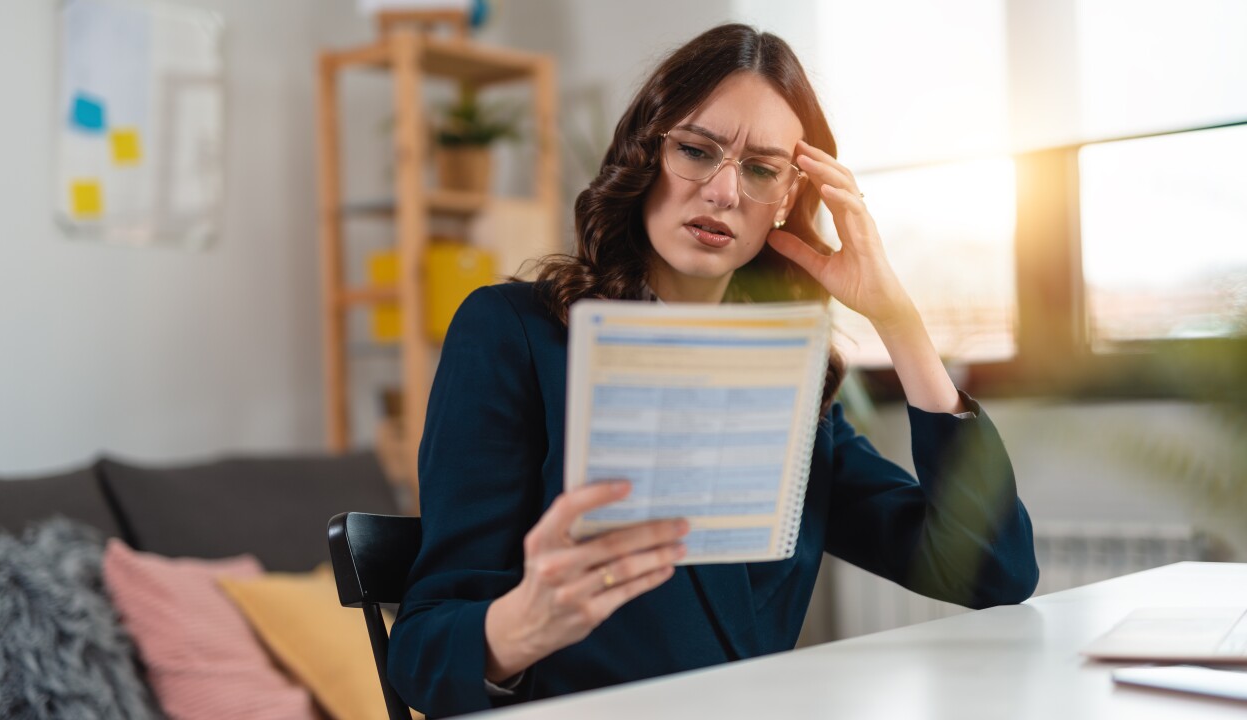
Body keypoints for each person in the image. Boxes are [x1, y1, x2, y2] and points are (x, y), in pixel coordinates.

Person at [388, 23, 1039, 718]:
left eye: (761, 169)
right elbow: (423, 653)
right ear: (647, 153)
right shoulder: (513, 334)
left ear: (787, 201)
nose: (724, 191)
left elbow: (989, 569)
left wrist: (898, 322)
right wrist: (518, 627)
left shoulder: (791, 387)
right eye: (697, 151)